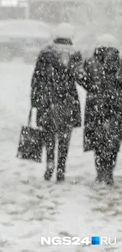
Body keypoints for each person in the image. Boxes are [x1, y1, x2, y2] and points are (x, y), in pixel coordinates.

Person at [30, 23, 82, 182]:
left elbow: (36, 78)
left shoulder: (45, 53)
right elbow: (80, 78)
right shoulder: (75, 54)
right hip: (67, 100)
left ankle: (50, 162)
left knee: (49, 135)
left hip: (48, 100)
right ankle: (61, 168)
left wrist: (35, 100)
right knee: (65, 137)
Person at [75, 34, 122, 185]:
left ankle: (100, 172)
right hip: (116, 107)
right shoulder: (119, 64)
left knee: (98, 141)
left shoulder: (90, 62)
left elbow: (79, 75)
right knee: (112, 142)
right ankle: (109, 172)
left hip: (95, 107)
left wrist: (92, 88)